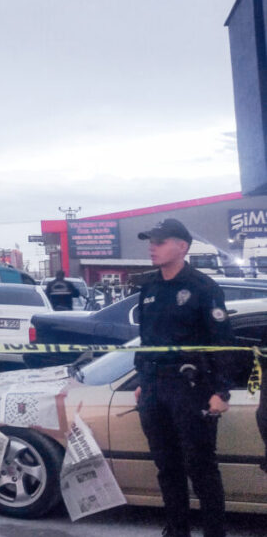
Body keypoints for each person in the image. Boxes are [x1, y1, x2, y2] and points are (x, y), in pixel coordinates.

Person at [133, 218, 233, 537]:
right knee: (167, 467)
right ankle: (177, 530)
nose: (152, 246)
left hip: (191, 388)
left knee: (201, 467)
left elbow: (221, 343)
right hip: (154, 388)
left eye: (159, 241)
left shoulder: (204, 287)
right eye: (150, 241)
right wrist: (142, 380)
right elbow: (147, 338)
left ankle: (214, 533)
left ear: (182, 247)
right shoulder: (149, 286)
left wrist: (221, 391)